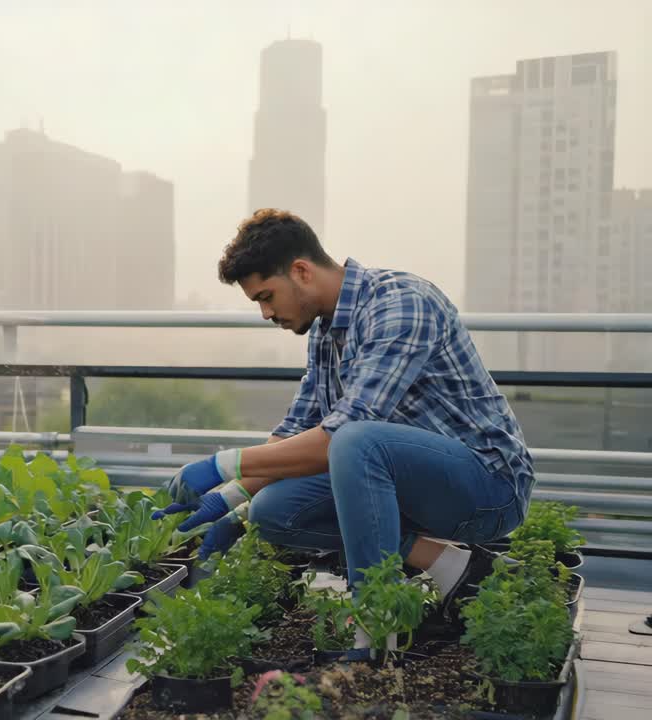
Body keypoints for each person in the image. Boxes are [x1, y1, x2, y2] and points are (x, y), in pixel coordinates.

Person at [156, 208, 534, 655]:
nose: (264, 313)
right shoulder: (325, 333)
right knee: (274, 510)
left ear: (301, 271)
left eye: (267, 295)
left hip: (486, 487)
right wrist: (231, 500)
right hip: (410, 488)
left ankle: (375, 636)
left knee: (356, 441)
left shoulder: (401, 303)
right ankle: (457, 570)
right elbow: (295, 434)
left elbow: (342, 435)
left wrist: (221, 464)